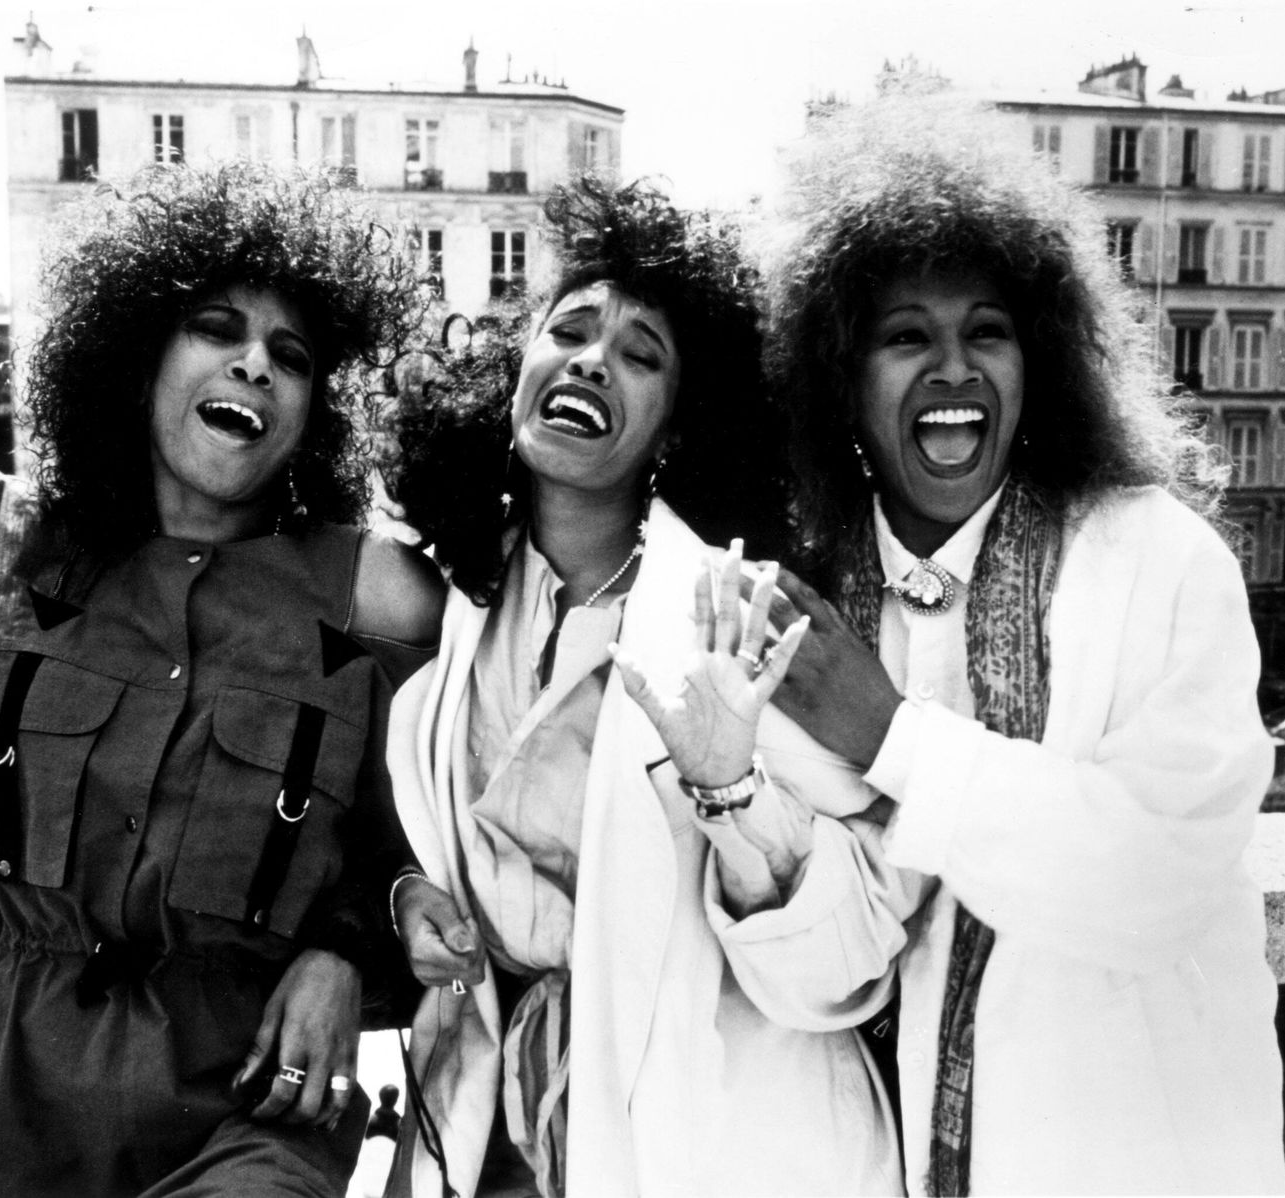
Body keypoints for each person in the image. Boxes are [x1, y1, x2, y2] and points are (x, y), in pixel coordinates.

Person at [0, 161, 444, 1196]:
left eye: (290, 354)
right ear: (135, 355)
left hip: (248, 1129)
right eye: (215, 329)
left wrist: (344, 957)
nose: (255, 365)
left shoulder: (368, 602)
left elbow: (438, 849)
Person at [726, 103, 1285, 1194]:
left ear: (1041, 361)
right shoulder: (809, 616)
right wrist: (731, 804)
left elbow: (1159, 876)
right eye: (905, 337)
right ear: (840, 377)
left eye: (985, 330)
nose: (952, 367)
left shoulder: (1159, 559)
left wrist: (891, 739)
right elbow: (817, 983)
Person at [379, 177, 921, 1197]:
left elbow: (857, 953)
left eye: (640, 354)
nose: (592, 357)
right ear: (517, 371)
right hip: (508, 1141)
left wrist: (733, 796)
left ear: (675, 428)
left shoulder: (739, 616)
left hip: (733, 1148)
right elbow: (411, 829)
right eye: (570, 330)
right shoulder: (453, 606)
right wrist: (415, 896)